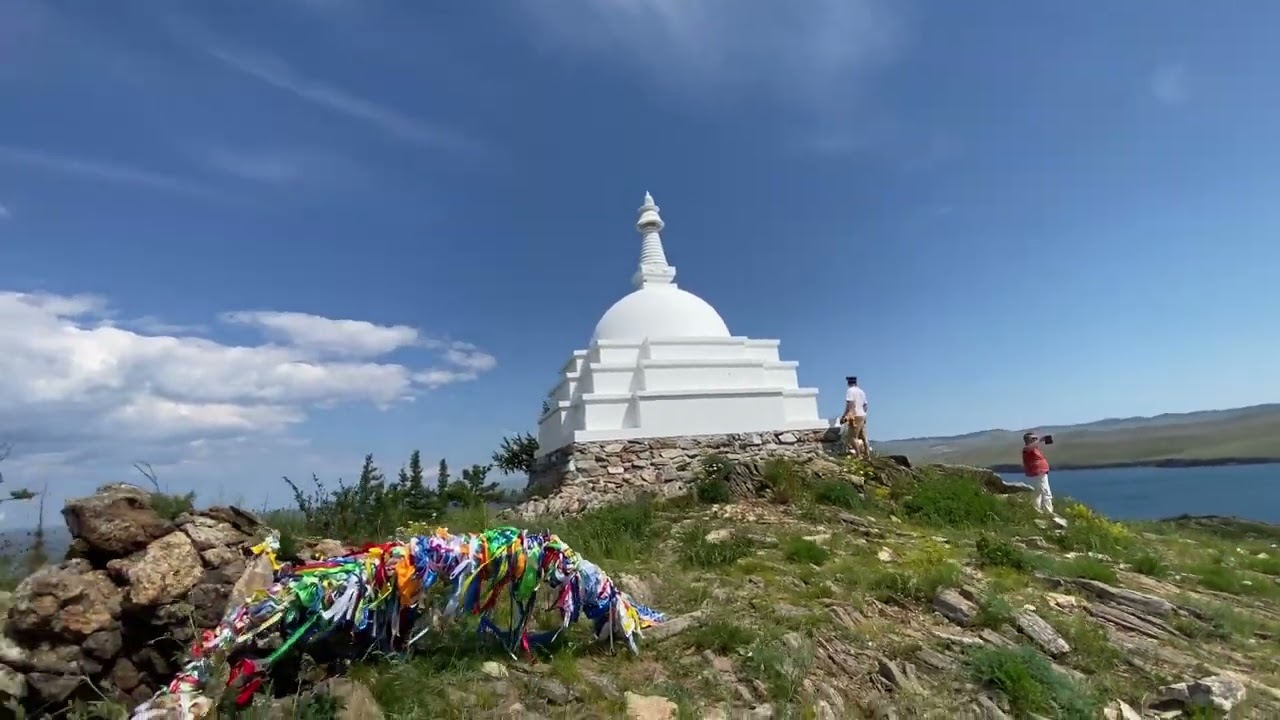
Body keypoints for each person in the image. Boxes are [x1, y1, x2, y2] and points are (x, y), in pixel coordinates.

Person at [1022, 431, 1053, 514]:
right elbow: (1029, 447)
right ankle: (1048, 512)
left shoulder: (1035, 449)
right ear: (1027, 440)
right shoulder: (1027, 449)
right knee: (1046, 492)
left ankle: (1036, 510)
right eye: (1033, 438)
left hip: (1040, 472)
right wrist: (1040, 440)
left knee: (1037, 492)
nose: (1036, 439)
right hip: (1038, 472)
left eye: (1036, 438)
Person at [842, 376, 869, 458]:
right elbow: (865, 405)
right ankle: (867, 455)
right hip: (862, 415)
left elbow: (851, 404)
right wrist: (864, 414)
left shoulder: (850, 391)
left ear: (848, 383)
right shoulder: (862, 391)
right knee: (864, 437)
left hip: (855, 415)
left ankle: (858, 455)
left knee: (853, 437)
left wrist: (846, 415)